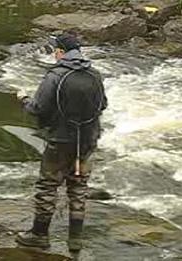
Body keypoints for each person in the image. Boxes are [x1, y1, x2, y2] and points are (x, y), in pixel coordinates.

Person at [15, 32, 108, 252]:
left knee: (48, 186)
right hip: (88, 141)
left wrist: (23, 99)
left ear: (60, 52)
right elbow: (102, 105)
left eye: (55, 49)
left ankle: (39, 236)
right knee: (78, 187)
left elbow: (38, 109)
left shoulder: (54, 75)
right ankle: (75, 240)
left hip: (61, 141)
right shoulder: (95, 74)